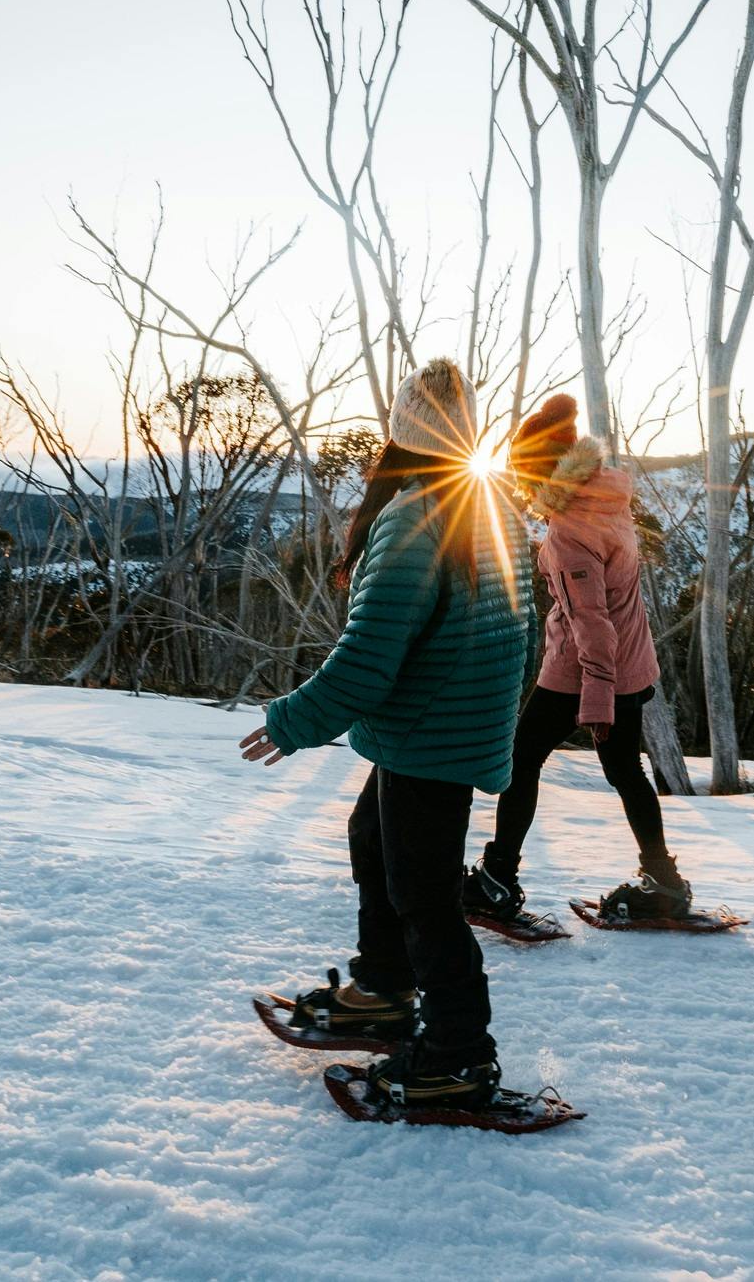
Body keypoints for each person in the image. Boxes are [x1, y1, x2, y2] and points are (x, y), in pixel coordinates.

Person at [237, 357, 529, 1111]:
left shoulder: (416, 517)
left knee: (426, 898)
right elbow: (516, 634)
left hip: (431, 734)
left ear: (402, 431)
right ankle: (383, 986)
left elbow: (367, 659)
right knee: (374, 839)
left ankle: (458, 1057)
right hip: (446, 727)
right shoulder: (492, 506)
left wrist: (291, 720)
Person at [461, 394, 693, 922]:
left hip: (583, 672)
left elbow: (592, 624)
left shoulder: (568, 533)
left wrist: (596, 704)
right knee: (626, 772)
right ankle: (665, 883)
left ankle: (497, 879)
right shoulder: (607, 501)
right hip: (632, 666)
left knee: (519, 762)